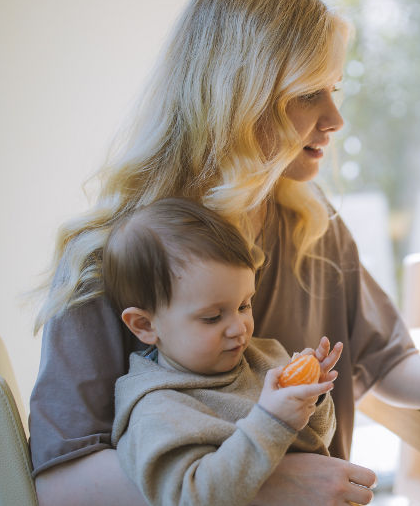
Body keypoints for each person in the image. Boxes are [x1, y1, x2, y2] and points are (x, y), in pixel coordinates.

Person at [29, 0, 420, 506]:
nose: (335, 119)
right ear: (235, 102)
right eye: (305, 95)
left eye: (334, 90)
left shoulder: (309, 220)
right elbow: (59, 482)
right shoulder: (109, 254)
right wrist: (263, 487)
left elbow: (386, 358)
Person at [104, 197, 342, 505]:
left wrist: (312, 399)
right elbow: (192, 498)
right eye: (213, 317)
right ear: (145, 325)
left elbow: (319, 442)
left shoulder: (265, 357)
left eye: (244, 305)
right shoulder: (157, 410)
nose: (239, 327)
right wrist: (271, 421)